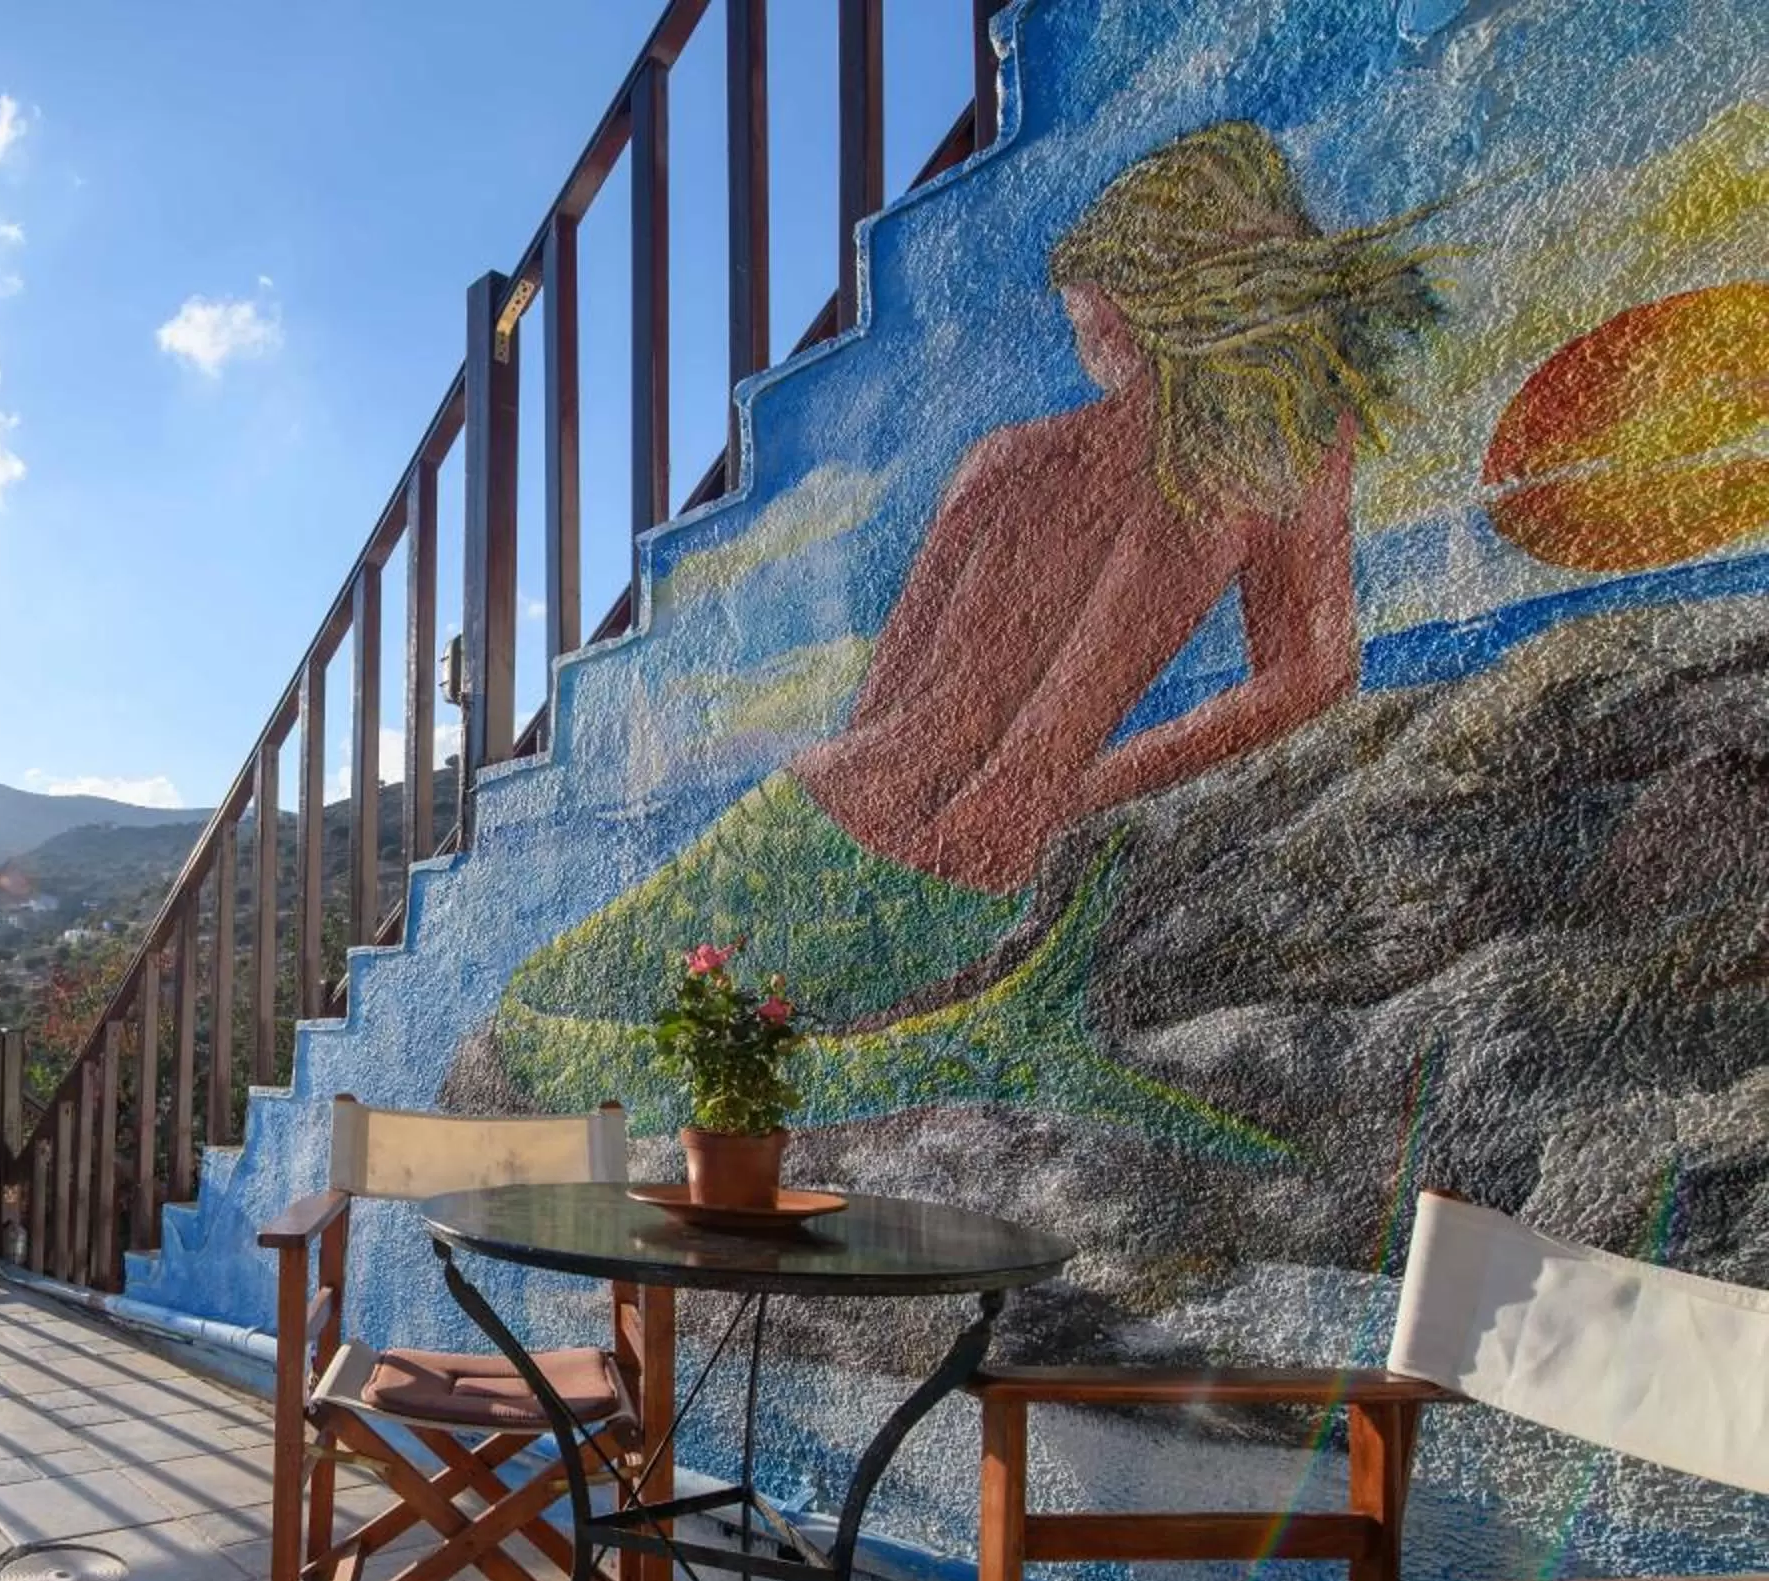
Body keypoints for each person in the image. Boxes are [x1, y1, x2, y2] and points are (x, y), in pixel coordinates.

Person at [497, 122, 1447, 1123]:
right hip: (978, 877)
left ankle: (934, 1057)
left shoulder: (1010, 462)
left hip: (828, 814)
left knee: (535, 1019)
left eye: (1081, 313)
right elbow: (1310, 676)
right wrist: (1077, 789)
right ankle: (940, 1048)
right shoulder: (1287, 452)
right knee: (716, 1045)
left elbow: (885, 702)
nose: (1076, 332)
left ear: (1124, 307)